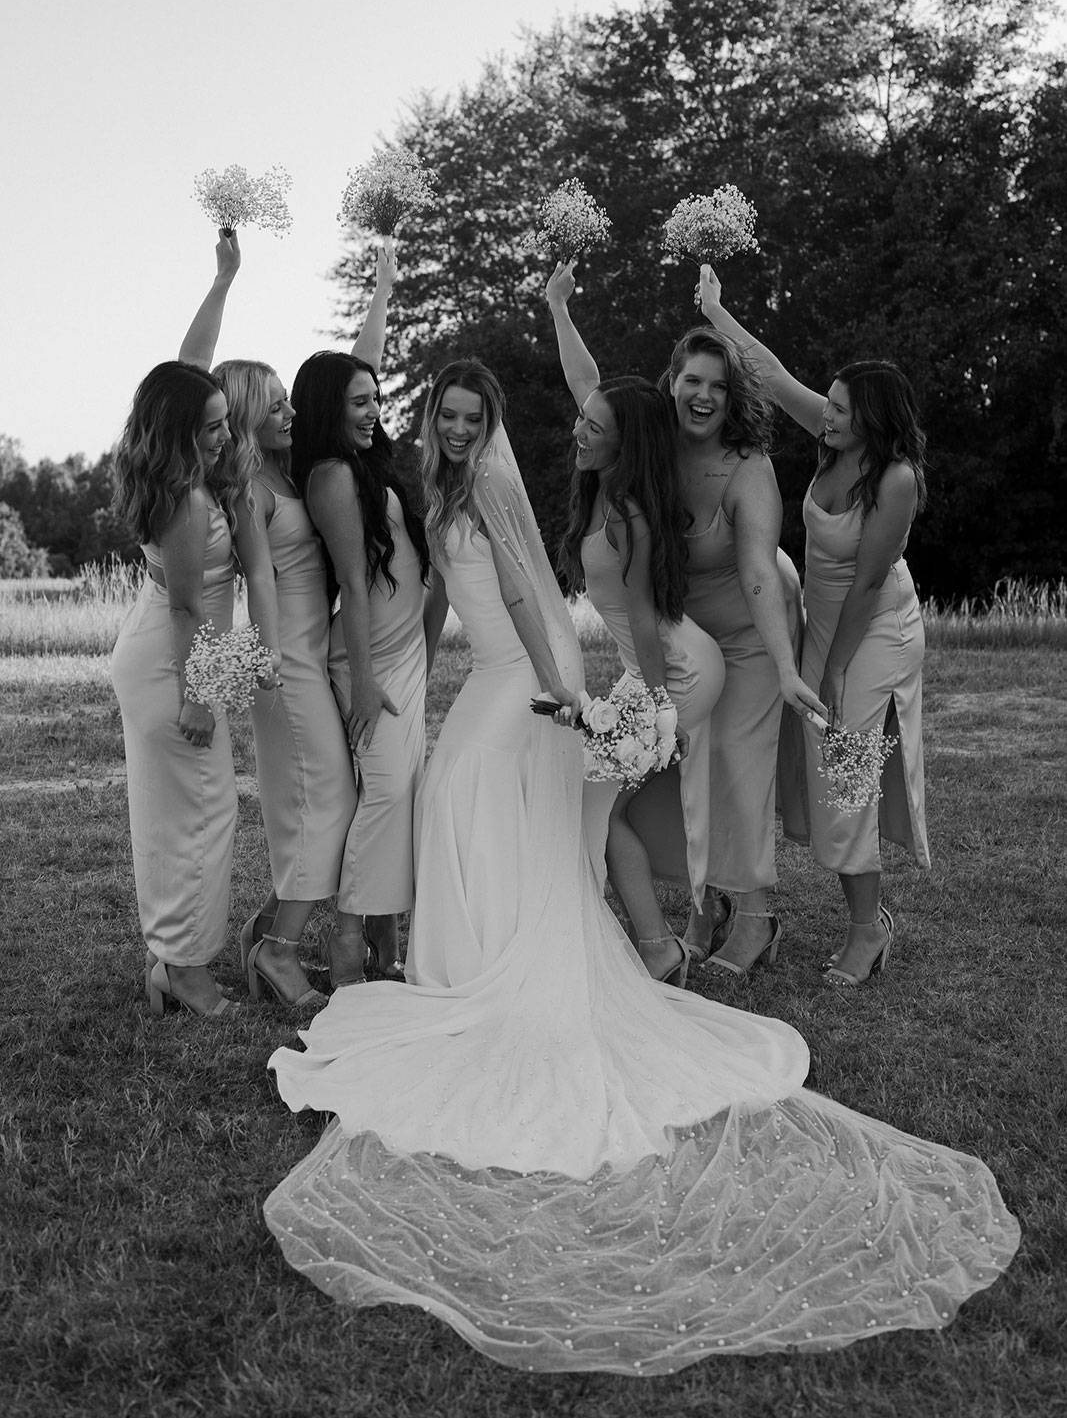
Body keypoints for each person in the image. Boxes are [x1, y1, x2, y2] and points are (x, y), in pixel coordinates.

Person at [263, 356, 1015, 1374]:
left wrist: (560, 694)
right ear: (429, 417)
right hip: (502, 669)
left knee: (463, 796)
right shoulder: (446, 483)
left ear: (483, 426)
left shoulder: (486, 481)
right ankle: (481, 960)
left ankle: (503, 965)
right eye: (442, 412)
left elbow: (529, 598)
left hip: (527, 673)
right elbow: (458, 589)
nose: (453, 427)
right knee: (473, 804)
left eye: (468, 415)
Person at [548, 263, 826, 976]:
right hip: (680, 628)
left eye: (717, 385)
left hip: (752, 626)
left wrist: (788, 669)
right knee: (684, 770)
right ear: (672, 381)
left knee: (735, 762)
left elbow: (761, 571)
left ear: (731, 397)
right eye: (691, 380)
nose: (702, 395)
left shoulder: (746, 465)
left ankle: (756, 916)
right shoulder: (647, 442)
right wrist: (558, 307)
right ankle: (706, 902)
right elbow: (589, 390)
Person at [177, 231, 398, 1007]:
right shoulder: (247, 490)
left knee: (327, 800)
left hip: (311, 653)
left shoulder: (295, 461)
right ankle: (277, 950)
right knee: (327, 800)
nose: (290, 408)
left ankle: (267, 932)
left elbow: (349, 377)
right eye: (274, 402)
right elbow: (264, 576)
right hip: (285, 658)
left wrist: (381, 288)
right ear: (244, 414)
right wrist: (271, 657)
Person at [698, 265, 931, 985]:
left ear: (871, 418)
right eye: (825, 404)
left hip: (873, 635)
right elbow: (765, 373)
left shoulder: (895, 480)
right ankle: (854, 917)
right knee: (826, 781)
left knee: (848, 782)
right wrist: (715, 310)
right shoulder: (832, 447)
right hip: (822, 626)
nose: (823, 415)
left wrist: (831, 666)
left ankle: (868, 929)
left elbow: (865, 583)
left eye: (836, 408)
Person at [553, 367, 726, 985]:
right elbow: (586, 383)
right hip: (651, 670)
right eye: (582, 417)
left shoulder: (627, 513)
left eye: (593, 426)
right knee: (602, 808)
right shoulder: (602, 489)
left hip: (674, 671)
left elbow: (646, 620)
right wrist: (559, 308)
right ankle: (657, 944)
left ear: (623, 444)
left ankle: (658, 952)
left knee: (602, 811)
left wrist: (658, 713)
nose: (579, 430)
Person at [110, 363, 250, 1016]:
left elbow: (183, 367)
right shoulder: (189, 500)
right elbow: (187, 608)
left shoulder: (169, 476)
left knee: (171, 817)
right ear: (181, 432)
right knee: (203, 815)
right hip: (175, 665)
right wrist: (197, 697)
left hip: (159, 655)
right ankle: (185, 970)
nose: (226, 434)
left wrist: (222, 282)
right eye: (213, 426)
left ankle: (169, 959)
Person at [289, 338, 429, 986]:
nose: (373, 411)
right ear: (328, 408)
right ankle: (348, 938)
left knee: (397, 795)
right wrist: (367, 685)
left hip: (404, 653)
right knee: (387, 792)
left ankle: (384, 942)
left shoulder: (365, 465)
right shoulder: (333, 477)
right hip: (369, 661)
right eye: (358, 402)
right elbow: (352, 577)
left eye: (375, 398)